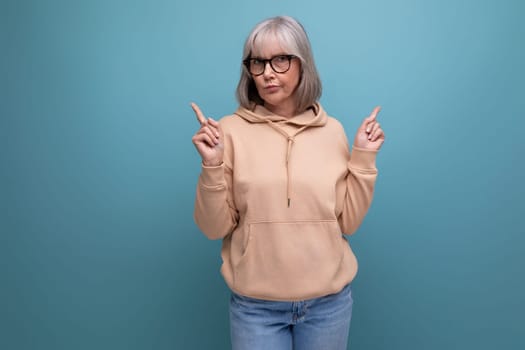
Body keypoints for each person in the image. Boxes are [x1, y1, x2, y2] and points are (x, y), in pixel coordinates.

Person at [191, 15, 385, 350]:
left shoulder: (333, 131)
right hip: (256, 307)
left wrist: (363, 159)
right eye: (258, 62)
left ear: (303, 63)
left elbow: (348, 223)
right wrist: (212, 165)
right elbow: (212, 227)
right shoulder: (229, 131)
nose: (267, 72)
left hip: (328, 305)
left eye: (280, 60)